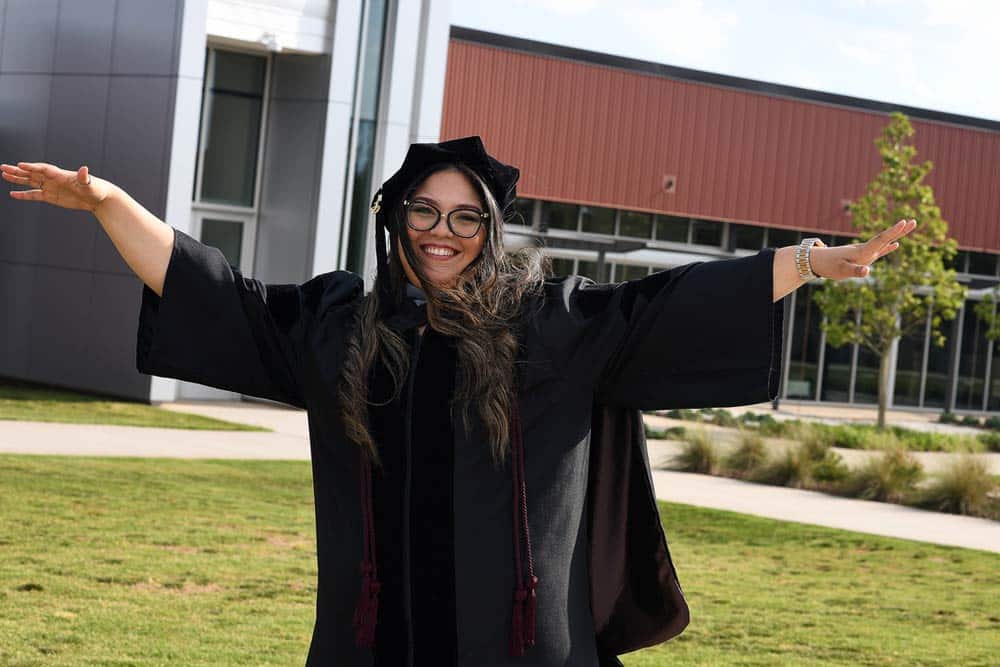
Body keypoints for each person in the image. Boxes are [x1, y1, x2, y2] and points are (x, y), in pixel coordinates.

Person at [1, 138, 915, 666]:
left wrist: (804, 261)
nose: (443, 233)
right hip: (375, 642)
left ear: (489, 229)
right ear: (396, 221)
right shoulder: (337, 328)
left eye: (464, 216)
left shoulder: (551, 329)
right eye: (424, 212)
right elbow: (216, 292)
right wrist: (113, 202)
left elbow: (667, 307)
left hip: (514, 645)